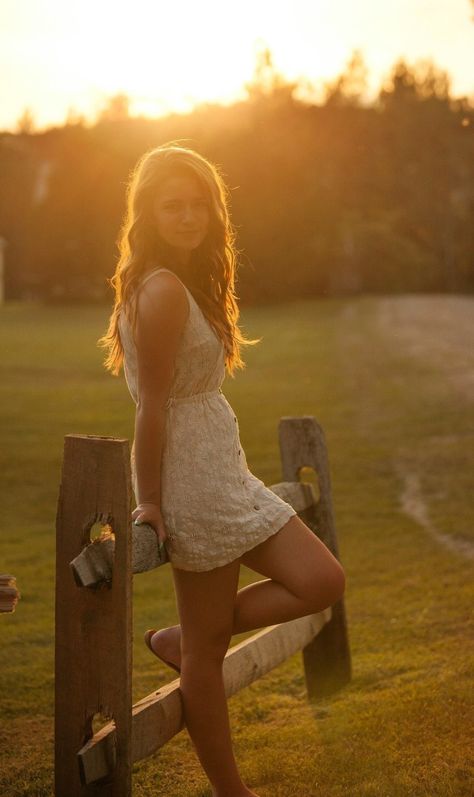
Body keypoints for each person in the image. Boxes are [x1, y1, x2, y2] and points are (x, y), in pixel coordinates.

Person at [98, 142, 345, 797]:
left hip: (226, 473)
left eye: (197, 202)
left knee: (322, 579)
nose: (187, 215)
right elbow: (152, 405)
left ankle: (185, 635)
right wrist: (149, 499)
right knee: (208, 657)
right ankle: (232, 790)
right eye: (171, 204)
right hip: (193, 483)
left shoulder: (184, 280)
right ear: (147, 212)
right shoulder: (161, 290)